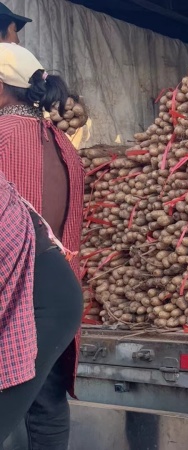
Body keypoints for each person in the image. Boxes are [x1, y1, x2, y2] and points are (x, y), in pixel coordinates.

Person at [0, 43, 85, 450]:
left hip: (18, 287)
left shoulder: (3, 133)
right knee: (46, 404)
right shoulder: (64, 143)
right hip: (59, 285)